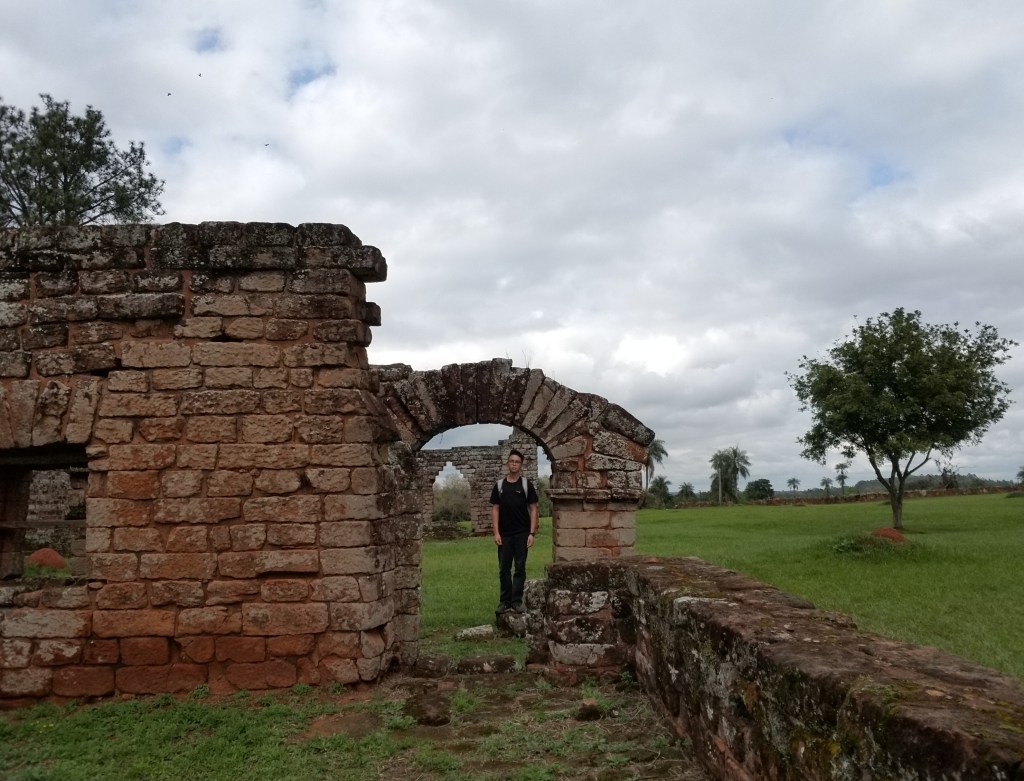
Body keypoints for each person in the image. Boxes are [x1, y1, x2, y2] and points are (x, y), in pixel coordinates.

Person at [490, 448, 539, 613]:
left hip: (522, 533)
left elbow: (533, 509)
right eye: (512, 461)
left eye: (517, 462)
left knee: (520, 567)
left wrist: (532, 533)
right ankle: (504, 601)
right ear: (507, 463)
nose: (514, 464)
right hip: (504, 534)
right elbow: (495, 509)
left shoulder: (526, 485)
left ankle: (516, 601)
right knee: (504, 568)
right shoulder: (499, 485)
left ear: (521, 465)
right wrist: (496, 533)